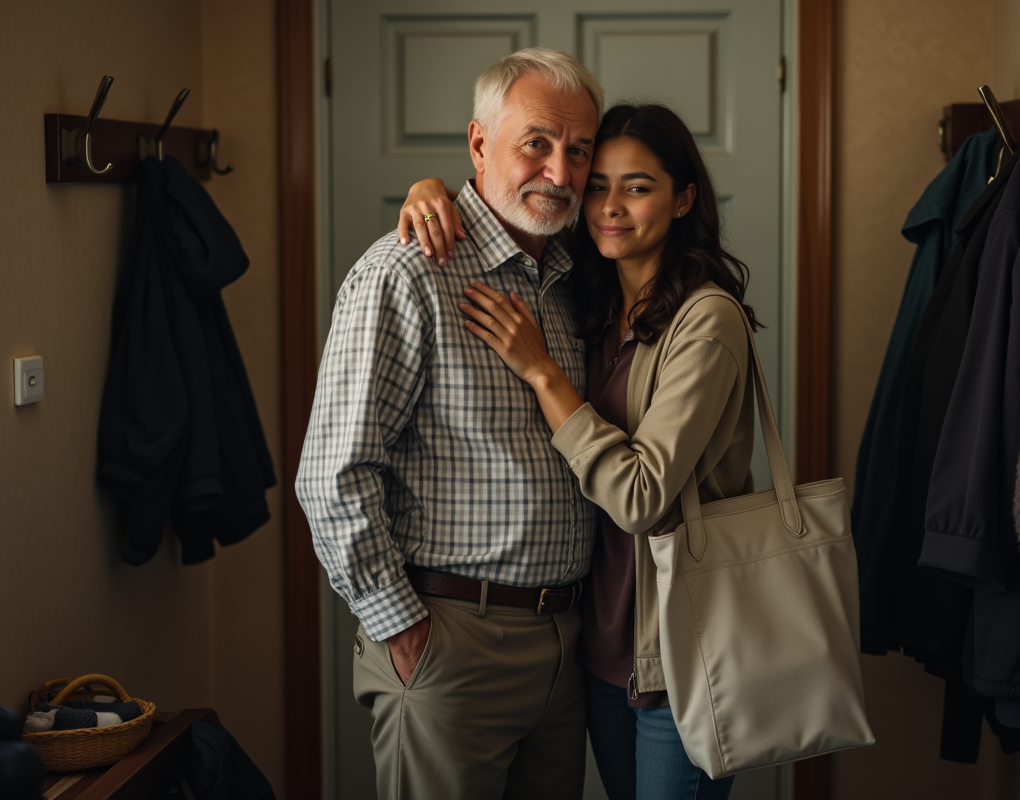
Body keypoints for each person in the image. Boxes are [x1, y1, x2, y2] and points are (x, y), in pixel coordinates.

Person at [398, 102, 760, 800]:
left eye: (639, 186)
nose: (610, 206)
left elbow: (641, 496)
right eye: (599, 185)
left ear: (684, 199)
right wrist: (432, 191)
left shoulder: (707, 321)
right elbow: (504, 193)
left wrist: (541, 372)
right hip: (596, 653)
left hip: (683, 656)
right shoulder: (583, 301)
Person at [295, 48, 604, 800]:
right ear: (477, 143)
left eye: (579, 150)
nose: (560, 173)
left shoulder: (575, 278)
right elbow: (332, 475)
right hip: (451, 637)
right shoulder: (407, 271)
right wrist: (405, 635)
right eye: (536, 142)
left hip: (568, 643)